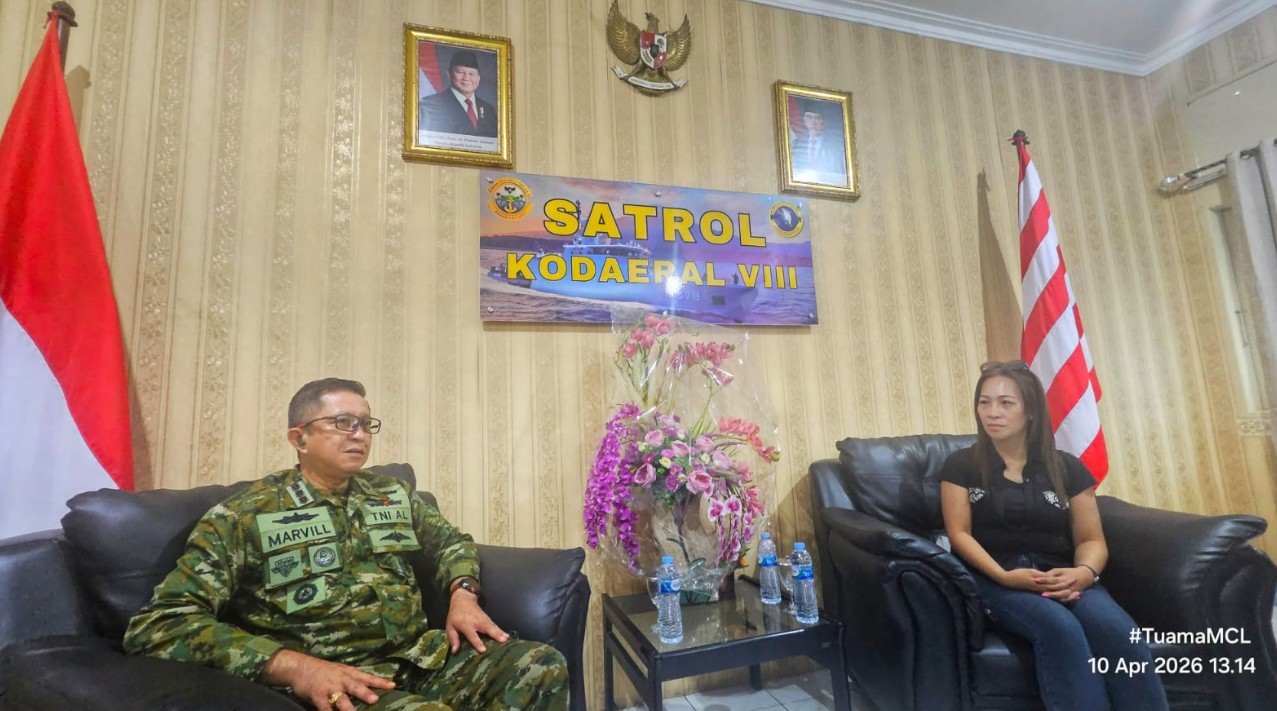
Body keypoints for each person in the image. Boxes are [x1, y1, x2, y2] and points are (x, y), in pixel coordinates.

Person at [123, 378, 567, 711]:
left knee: (539, 664)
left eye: (365, 424)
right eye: (342, 423)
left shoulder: (391, 495)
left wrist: (463, 594)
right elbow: (160, 625)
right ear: (299, 438)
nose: (359, 434)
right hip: (340, 681)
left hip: (418, 659)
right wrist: (294, 667)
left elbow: (451, 542)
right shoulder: (245, 516)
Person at [939, 361, 1167, 711]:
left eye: (1005, 403)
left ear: (1030, 411)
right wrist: (1003, 576)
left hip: (1065, 575)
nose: (992, 412)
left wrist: (1084, 573)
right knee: (1059, 627)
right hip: (995, 579)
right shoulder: (961, 465)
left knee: (1120, 632)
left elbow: (1091, 540)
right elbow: (959, 534)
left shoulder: (1066, 467)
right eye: (984, 402)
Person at [419, 50, 498, 138]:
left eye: (471, 74)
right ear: (449, 74)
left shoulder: (489, 110)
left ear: (478, 78)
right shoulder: (430, 105)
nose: (466, 78)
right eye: (460, 72)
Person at [790, 100, 845, 177]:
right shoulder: (795, 145)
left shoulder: (836, 147)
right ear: (804, 120)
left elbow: (840, 175)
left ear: (824, 122)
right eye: (809, 117)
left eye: (817, 118)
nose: (813, 122)